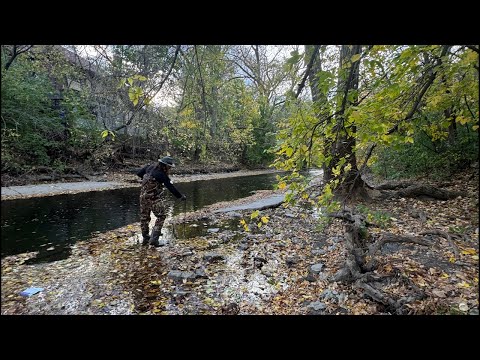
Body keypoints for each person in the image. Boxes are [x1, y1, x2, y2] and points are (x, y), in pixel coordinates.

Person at [136, 156, 186, 247]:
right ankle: (154, 239)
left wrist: (146, 181)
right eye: (169, 167)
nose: (170, 168)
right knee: (161, 216)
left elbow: (139, 173)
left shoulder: (149, 167)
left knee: (144, 217)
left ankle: (145, 237)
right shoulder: (162, 175)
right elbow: (171, 188)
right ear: (165, 166)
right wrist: (180, 197)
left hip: (142, 197)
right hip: (153, 198)